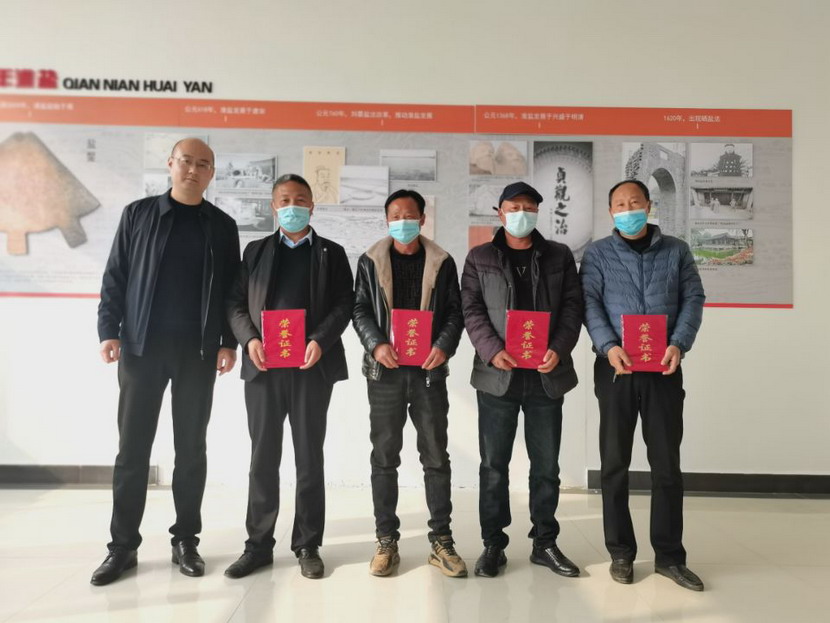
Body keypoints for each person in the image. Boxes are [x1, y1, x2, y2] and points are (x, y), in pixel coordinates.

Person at [92, 138, 240, 586]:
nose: (193, 170)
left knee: (191, 450)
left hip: (198, 352)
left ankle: (186, 541)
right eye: (186, 162)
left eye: (203, 164)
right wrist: (108, 329)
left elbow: (232, 289)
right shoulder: (138, 215)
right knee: (132, 450)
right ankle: (122, 547)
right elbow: (115, 274)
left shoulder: (222, 225)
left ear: (211, 173)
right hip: (141, 349)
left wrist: (228, 342)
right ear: (170, 164)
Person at [224, 173, 353, 580]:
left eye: (300, 200)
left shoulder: (332, 253)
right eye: (284, 200)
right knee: (263, 457)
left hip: (311, 369)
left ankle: (308, 544)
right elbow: (235, 303)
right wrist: (249, 340)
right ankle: (258, 545)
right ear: (273, 206)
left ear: (312, 206)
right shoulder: (256, 251)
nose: (292, 206)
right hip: (263, 369)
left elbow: (345, 304)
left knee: (309, 458)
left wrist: (320, 340)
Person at [580, 179, 706, 591]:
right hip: (615, 368)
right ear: (611, 212)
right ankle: (621, 552)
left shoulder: (676, 250)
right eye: (620, 204)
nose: (628, 209)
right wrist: (608, 345)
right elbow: (589, 303)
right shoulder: (598, 253)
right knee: (614, 463)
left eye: (635, 201)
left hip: (664, 367)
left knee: (666, 464)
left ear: (649, 205)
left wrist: (678, 343)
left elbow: (693, 298)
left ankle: (670, 556)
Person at [460, 181, 584, 578]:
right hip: (498, 375)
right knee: (493, 466)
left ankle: (544, 542)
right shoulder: (479, 257)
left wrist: (559, 348)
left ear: (538, 213)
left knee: (546, 466)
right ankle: (493, 545)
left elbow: (573, 307)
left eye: (529, 207)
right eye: (514, 207)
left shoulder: (559, 256)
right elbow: (471, 309)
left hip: (546, 375)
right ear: (499, 213)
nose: (521, 214)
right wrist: (491, 349)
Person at [353, 189, 466, 578]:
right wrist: (376, 343)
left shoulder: (441, 261)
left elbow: (455, 311)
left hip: (428, 373)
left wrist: (443, 346)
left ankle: (442, 541)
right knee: (384, 457)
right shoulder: (369, 260)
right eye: (395, 215)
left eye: (409, 214)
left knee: (435, 456)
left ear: (422, 218)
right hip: (384, 373)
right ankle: (386, 541)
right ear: (387, 220)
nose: (403, 221)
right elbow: (360, 309)